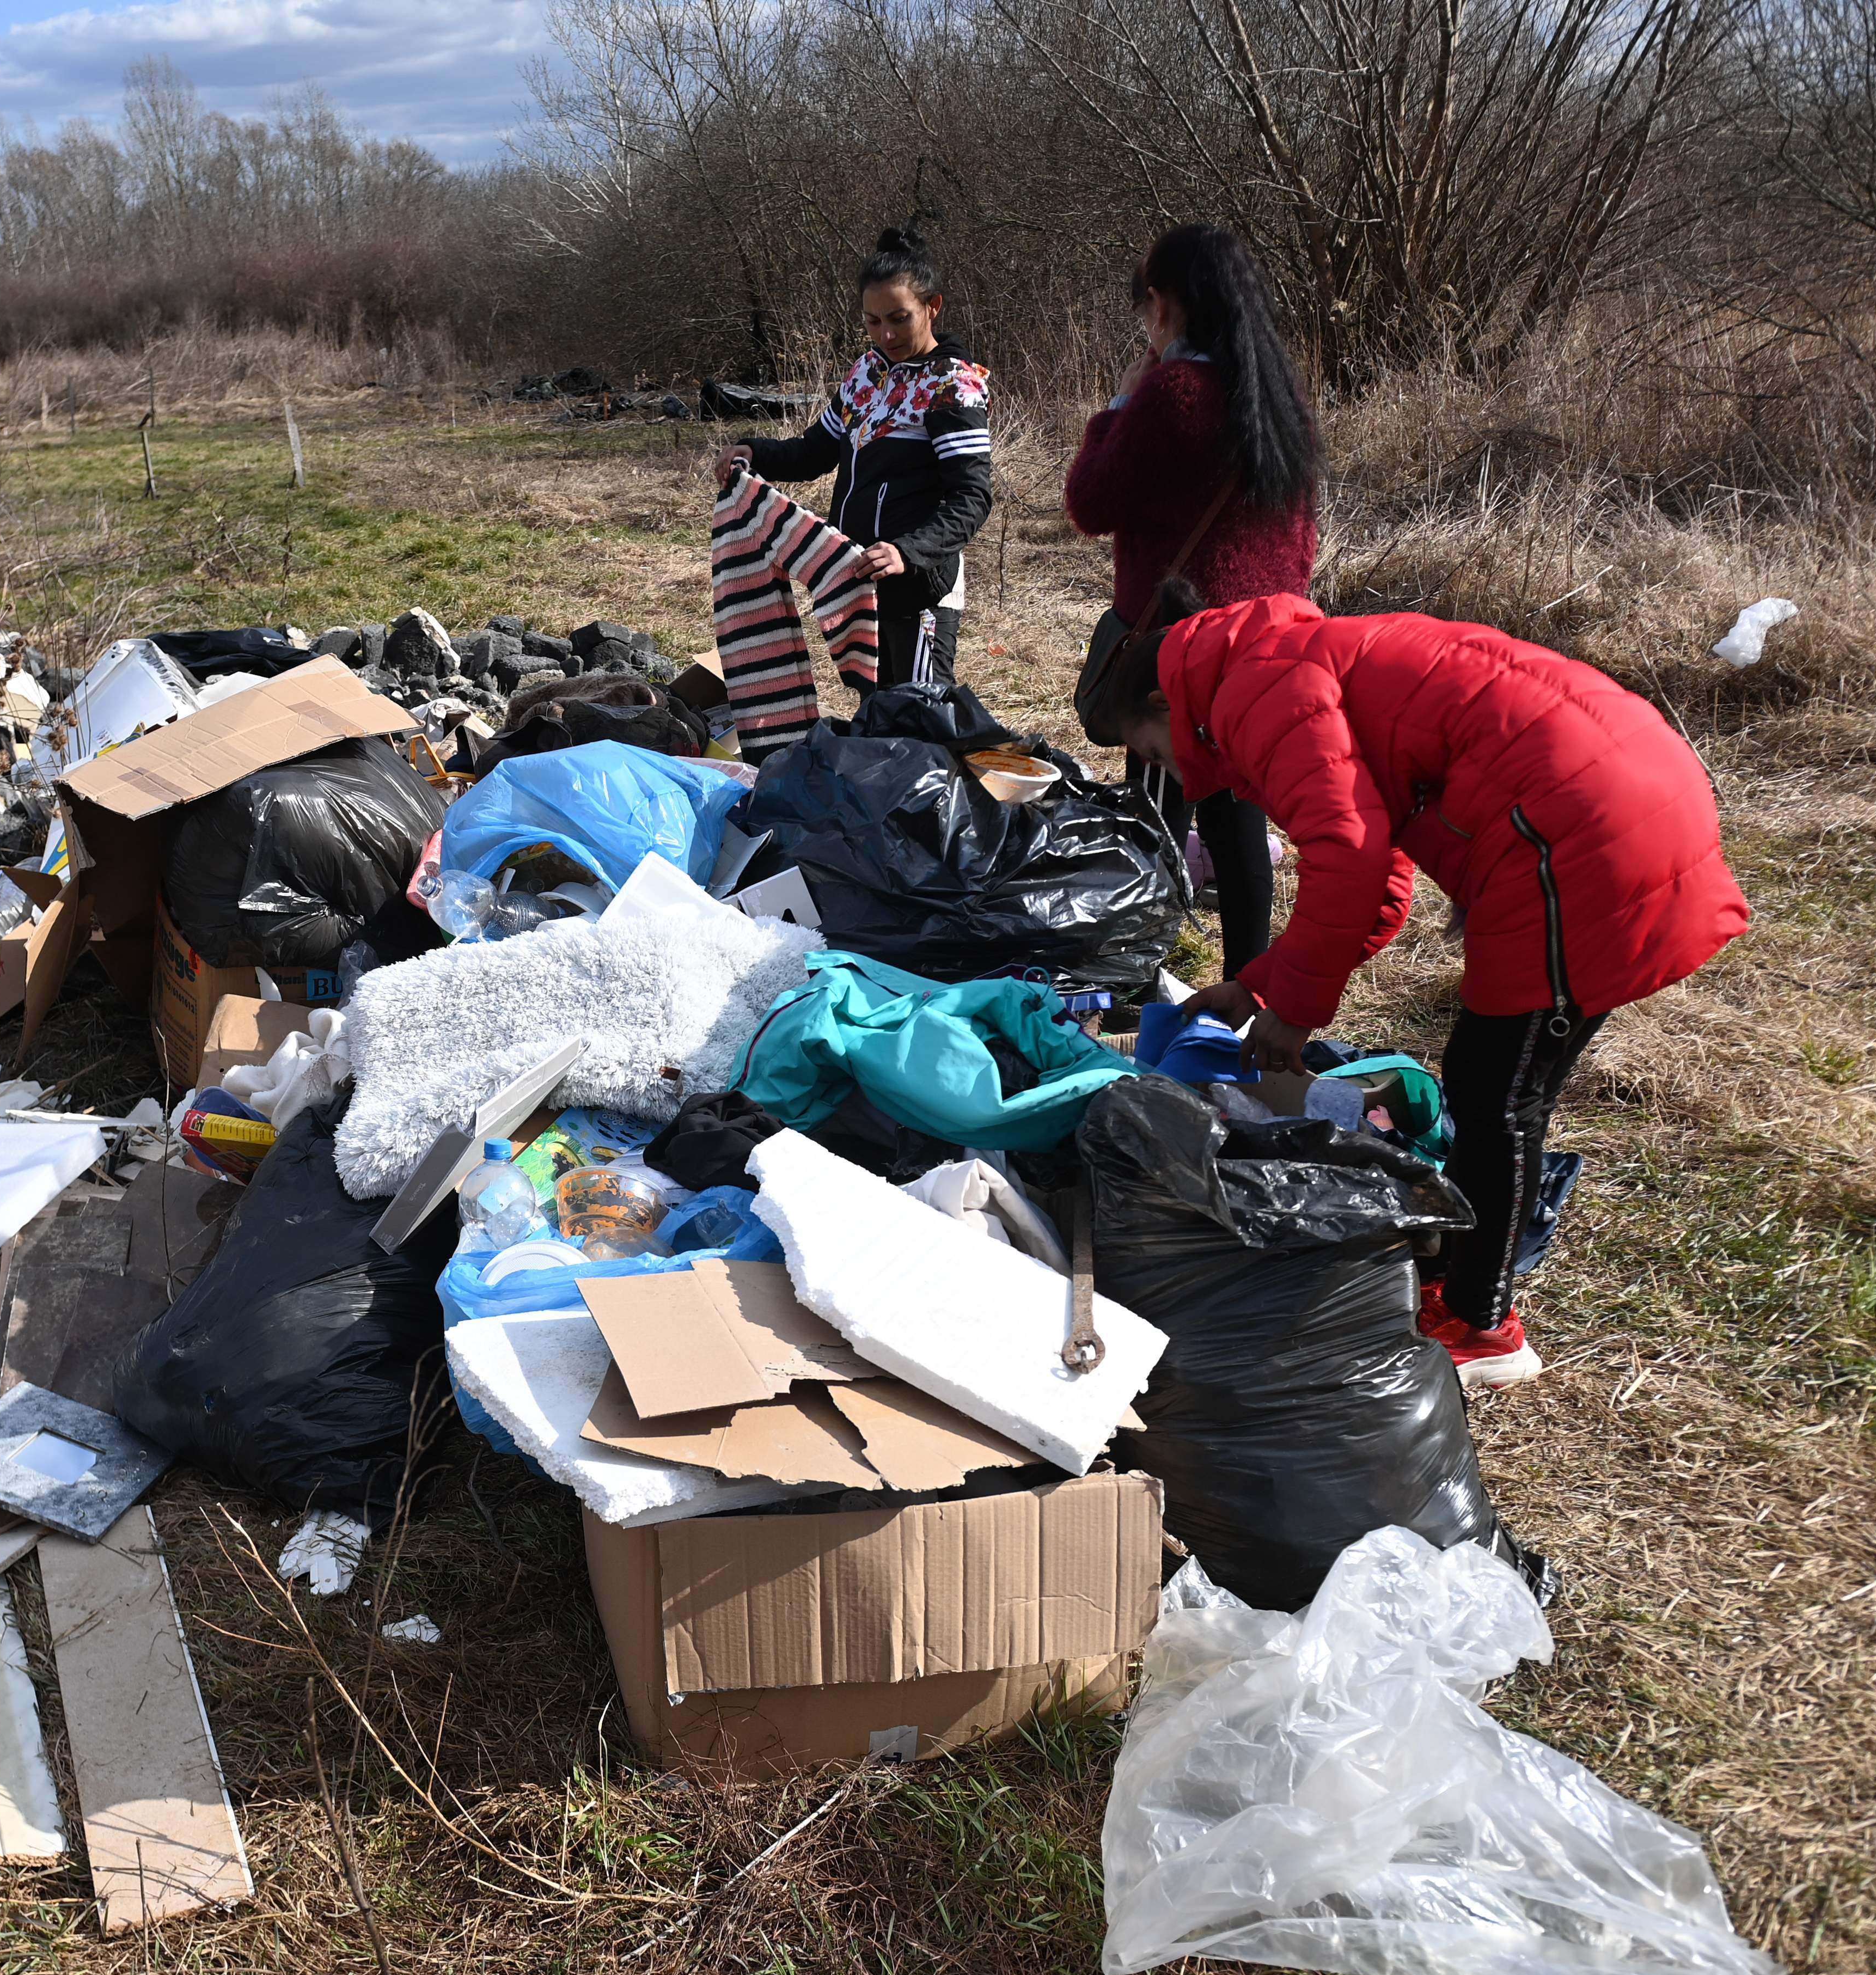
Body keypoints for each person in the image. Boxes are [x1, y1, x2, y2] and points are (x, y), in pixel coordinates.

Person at [1080, 591, 1750, 1390]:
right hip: (1601, 790)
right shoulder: (1263, 668)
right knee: (1490, 1080)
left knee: (1500, 1096)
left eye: (1151, 753)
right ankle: (1467, 1280)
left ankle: (1484, 1327)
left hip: (1579, 833)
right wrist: (1258, 989)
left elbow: (1351, 857)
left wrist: (1294, 1014)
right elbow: (1379, 870)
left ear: (1165, 703)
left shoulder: (1253, 696)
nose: (1166, 773)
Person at [1065, 222, 1319, 976]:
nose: (1144, 318)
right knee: (1239, 821)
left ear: (1169, 302)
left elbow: (1091, 501)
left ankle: (1142, 965)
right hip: (1260, 639)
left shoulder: (1175, 391)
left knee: (1156, 815)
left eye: (1147, 302)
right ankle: (1248, 986)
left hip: (1175, 644)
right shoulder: (1278, 393)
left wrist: (1116, 408)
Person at [713, 227, 994, 689]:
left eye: (899, 318)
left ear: (933, 307)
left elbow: (972, 497)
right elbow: (814, 452)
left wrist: (909, 552)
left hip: (921, 590)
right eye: (872, 321)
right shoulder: (868, 372)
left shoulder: (952, 387)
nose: (885, 334)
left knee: (920, 720)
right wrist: (755, 451)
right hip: (860, 587)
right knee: (875, 717)